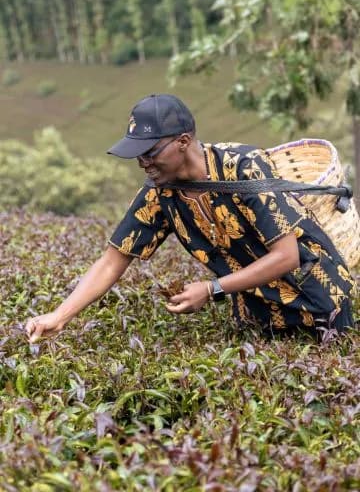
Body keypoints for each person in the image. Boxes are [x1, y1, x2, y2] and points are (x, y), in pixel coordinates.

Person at [25, 94, 355, 343]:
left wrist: (211, 289)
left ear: (183, 142)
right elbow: (113, 261)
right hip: (259, 316)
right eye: (138, 155)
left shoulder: (244, 166)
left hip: (320, 303)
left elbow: (287, 256)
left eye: (150, 152)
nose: (143, 163)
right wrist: (60, 316)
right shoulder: (159, 193)